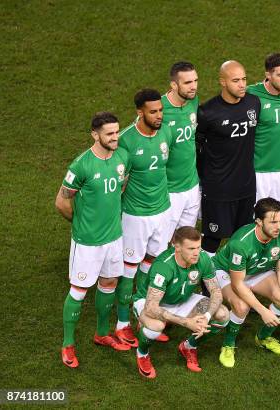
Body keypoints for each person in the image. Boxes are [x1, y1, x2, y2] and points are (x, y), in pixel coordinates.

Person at [56, 112, 131, 368]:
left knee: (109, 283)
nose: (114, 137)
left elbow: (121, 187)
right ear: (95, 134)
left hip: (114, 237)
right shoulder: (82, 165)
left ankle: (101, 333)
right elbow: (62, 201)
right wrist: (80, 224)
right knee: (78, 291)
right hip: (87, 242)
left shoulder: (122, 157)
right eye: (109, 133)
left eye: (116, 132)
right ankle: (68, 344)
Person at [115, 89, 173, 346]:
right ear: (140, 112)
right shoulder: (126, 140)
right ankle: (121, 324)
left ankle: (145, 312)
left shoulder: (166, 131)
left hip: (162, 210)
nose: (159, 115)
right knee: (129, 270)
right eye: (153, 112)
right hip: (136, 215)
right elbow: (119, 182)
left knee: (153, 265)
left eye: (160, 110)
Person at [133, 226, 228, 379]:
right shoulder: (163, 266)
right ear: (177, 247)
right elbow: (151, 308)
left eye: (198, 247)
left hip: (183, 299)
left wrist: (207, 317)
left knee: (222, 315)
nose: (196, 252)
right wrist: (186, 322)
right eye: (191, 248)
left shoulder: (202, 258)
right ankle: (142, 353)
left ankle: (189, 346)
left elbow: (216, 292)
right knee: (156, 327)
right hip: (151, 303)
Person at [212, 198, 280, 368]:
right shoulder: (241, 243)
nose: (279, 226)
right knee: (241, 306)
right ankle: (228, 344)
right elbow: (238, 284)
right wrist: (262, 310)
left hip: (257, 269)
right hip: (226, 272)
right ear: (258, 221)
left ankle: (263, 338)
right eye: (273, 222)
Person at [196, 60, 261, 255]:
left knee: (243, 236)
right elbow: (195, 145)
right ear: (222, 82)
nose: (242, 85)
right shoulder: (208, 112)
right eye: (235, 80)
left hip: (246, 185)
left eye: (244, 79)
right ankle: (203, 281)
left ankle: (236, 280)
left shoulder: (253, 103)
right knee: (212, 238)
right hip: (219, 188)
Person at [247, 53, 280, 226]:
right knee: (259, 220)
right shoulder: (251, 96)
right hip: (259, 171)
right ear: (268, 75)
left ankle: (279, 253)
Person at [163, 61, 201, 233]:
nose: (193, 87)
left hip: (192, 186)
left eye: (195, 81)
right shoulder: (158, 110)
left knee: (185, 239)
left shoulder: (192, 101)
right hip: (168, 190)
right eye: (187, 83)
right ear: (173, 85)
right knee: (162, 243)